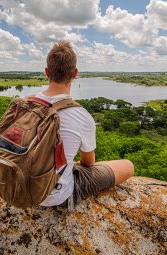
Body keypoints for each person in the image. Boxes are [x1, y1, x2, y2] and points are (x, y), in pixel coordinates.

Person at [37, 41, 134, 208]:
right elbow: (88, 163)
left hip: (17, 186)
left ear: (47, 72)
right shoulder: (81, 116)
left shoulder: (24, 104)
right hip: (54, 196)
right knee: (128, 166)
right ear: (75, 73)